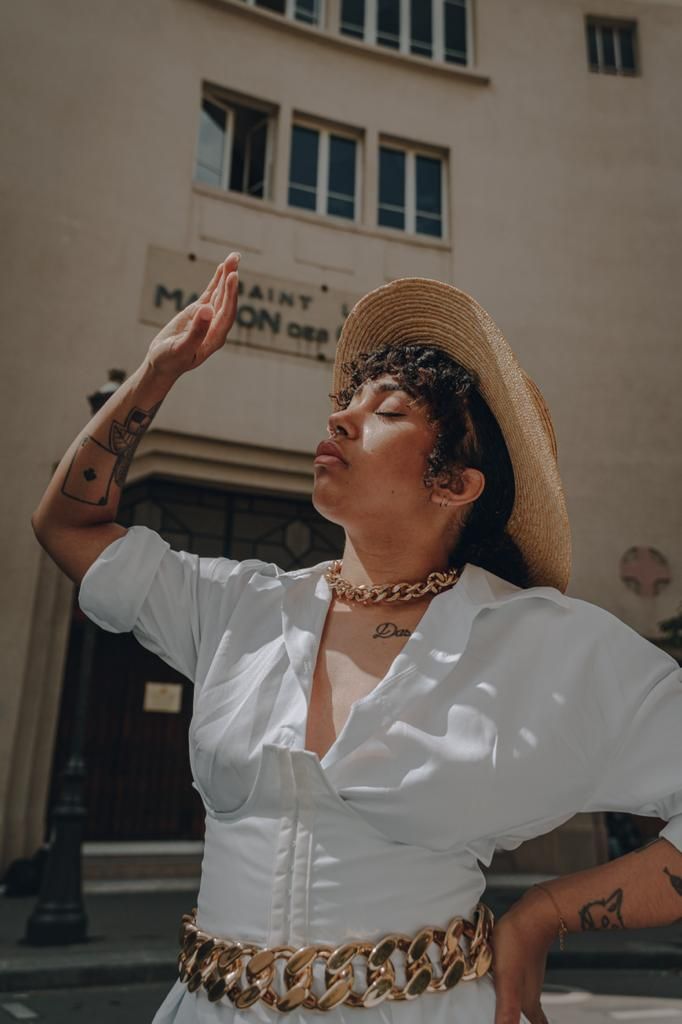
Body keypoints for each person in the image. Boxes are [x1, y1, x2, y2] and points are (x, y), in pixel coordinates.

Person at [31, 253, 682, 1024]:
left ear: (455, 484)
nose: (339, 419)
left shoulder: (539, 643)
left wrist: (545, 913)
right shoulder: (240, 608)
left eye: (388, 412)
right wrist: (155, 374)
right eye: (346, 402)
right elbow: (69, 527)